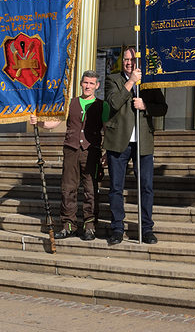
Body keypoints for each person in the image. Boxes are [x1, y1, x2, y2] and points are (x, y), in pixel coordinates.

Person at [31, 70, 110, 241]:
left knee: (90, 190)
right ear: (81, 83)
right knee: (68, 189)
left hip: (92, 152)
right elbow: (54, 122)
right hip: (71, 150)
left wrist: (107, 152)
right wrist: (38, 121)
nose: (88, 86)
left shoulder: (102, 105)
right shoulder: (70, 103)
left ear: (97, 86)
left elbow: (106, 129)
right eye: (85, 82)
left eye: (91, 83)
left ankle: (89, 226)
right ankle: (68, 225)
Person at [103, 47, 167, 245]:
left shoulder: (148, 82)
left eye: (132, 60)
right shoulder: (113, 80)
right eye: (126, 60)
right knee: (116, 187)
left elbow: (162, 108)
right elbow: (112, 103)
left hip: (143, 142)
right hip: (118, 141)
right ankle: (117, 228)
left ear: (138, 62)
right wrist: (130, 82)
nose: (129, 63)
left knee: (146, 187)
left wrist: (146, 107)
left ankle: (146, 228)